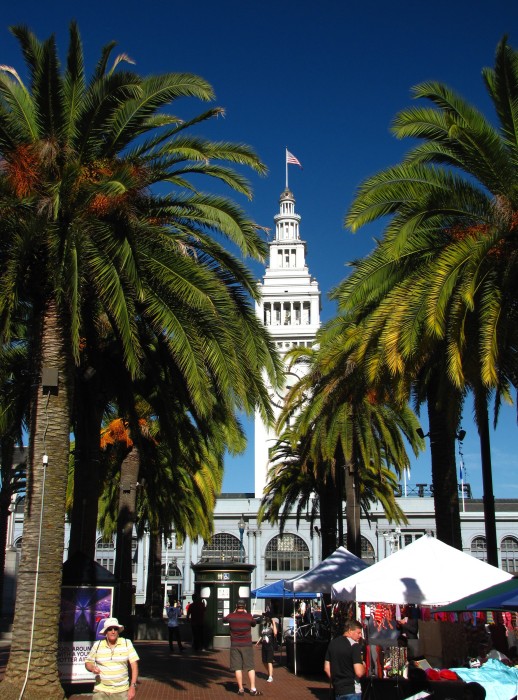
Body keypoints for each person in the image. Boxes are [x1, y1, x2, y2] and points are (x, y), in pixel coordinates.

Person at [85, 617, 139, 699]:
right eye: (110, 629)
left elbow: (134, 666)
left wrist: (133, 686)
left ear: (118, 631)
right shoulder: (98, 645)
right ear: (106, 632)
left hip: (121, 692)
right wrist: (92, 668)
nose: (113, 631)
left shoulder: (127, 643)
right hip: (101, 691)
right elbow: (88, 662)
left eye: (115, 629)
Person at [224, 599, 262, 696]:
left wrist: (233, 612)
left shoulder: (231, 616)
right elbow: (254, 624)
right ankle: (253, 689)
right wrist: (247, 614)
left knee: (237, 668)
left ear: (236, 606)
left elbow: (224, 619)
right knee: (250, 667)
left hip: (235, 644)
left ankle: (240, 689)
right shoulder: (248, 616)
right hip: (247, 645)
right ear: (244, 606)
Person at [324, 619, 366, 700]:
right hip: (352, 691)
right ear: (350, 630)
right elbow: (359, 672)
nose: (360, 636)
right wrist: (364, 666)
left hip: (338, 690)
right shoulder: (354, 645)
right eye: (358, 633)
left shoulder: (333, 643)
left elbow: (326, 668)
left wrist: (337, 681)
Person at [255, 614, 277, 682]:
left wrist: (273, 623)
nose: (265, 619)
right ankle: (270, 672)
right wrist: (258, 642)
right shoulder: (264, 625)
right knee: (264, 661)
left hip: (270, 645)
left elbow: (275, 633)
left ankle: (270, 676)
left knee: (269, 661)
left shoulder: (271, 625)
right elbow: (262, 635)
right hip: (264, 645)